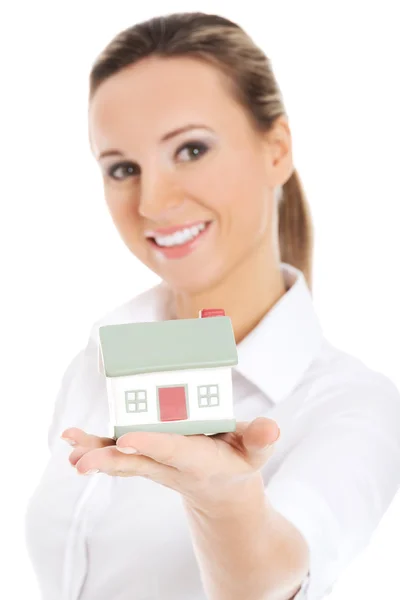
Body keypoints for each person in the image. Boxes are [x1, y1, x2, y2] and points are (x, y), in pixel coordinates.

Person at [24, 11, 400, 600]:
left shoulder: (356, 407)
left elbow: (276, 577)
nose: (152, 201)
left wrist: (224, 500)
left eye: (191, 149)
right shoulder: (97, 358)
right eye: (123, 168)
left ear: (276, 149)